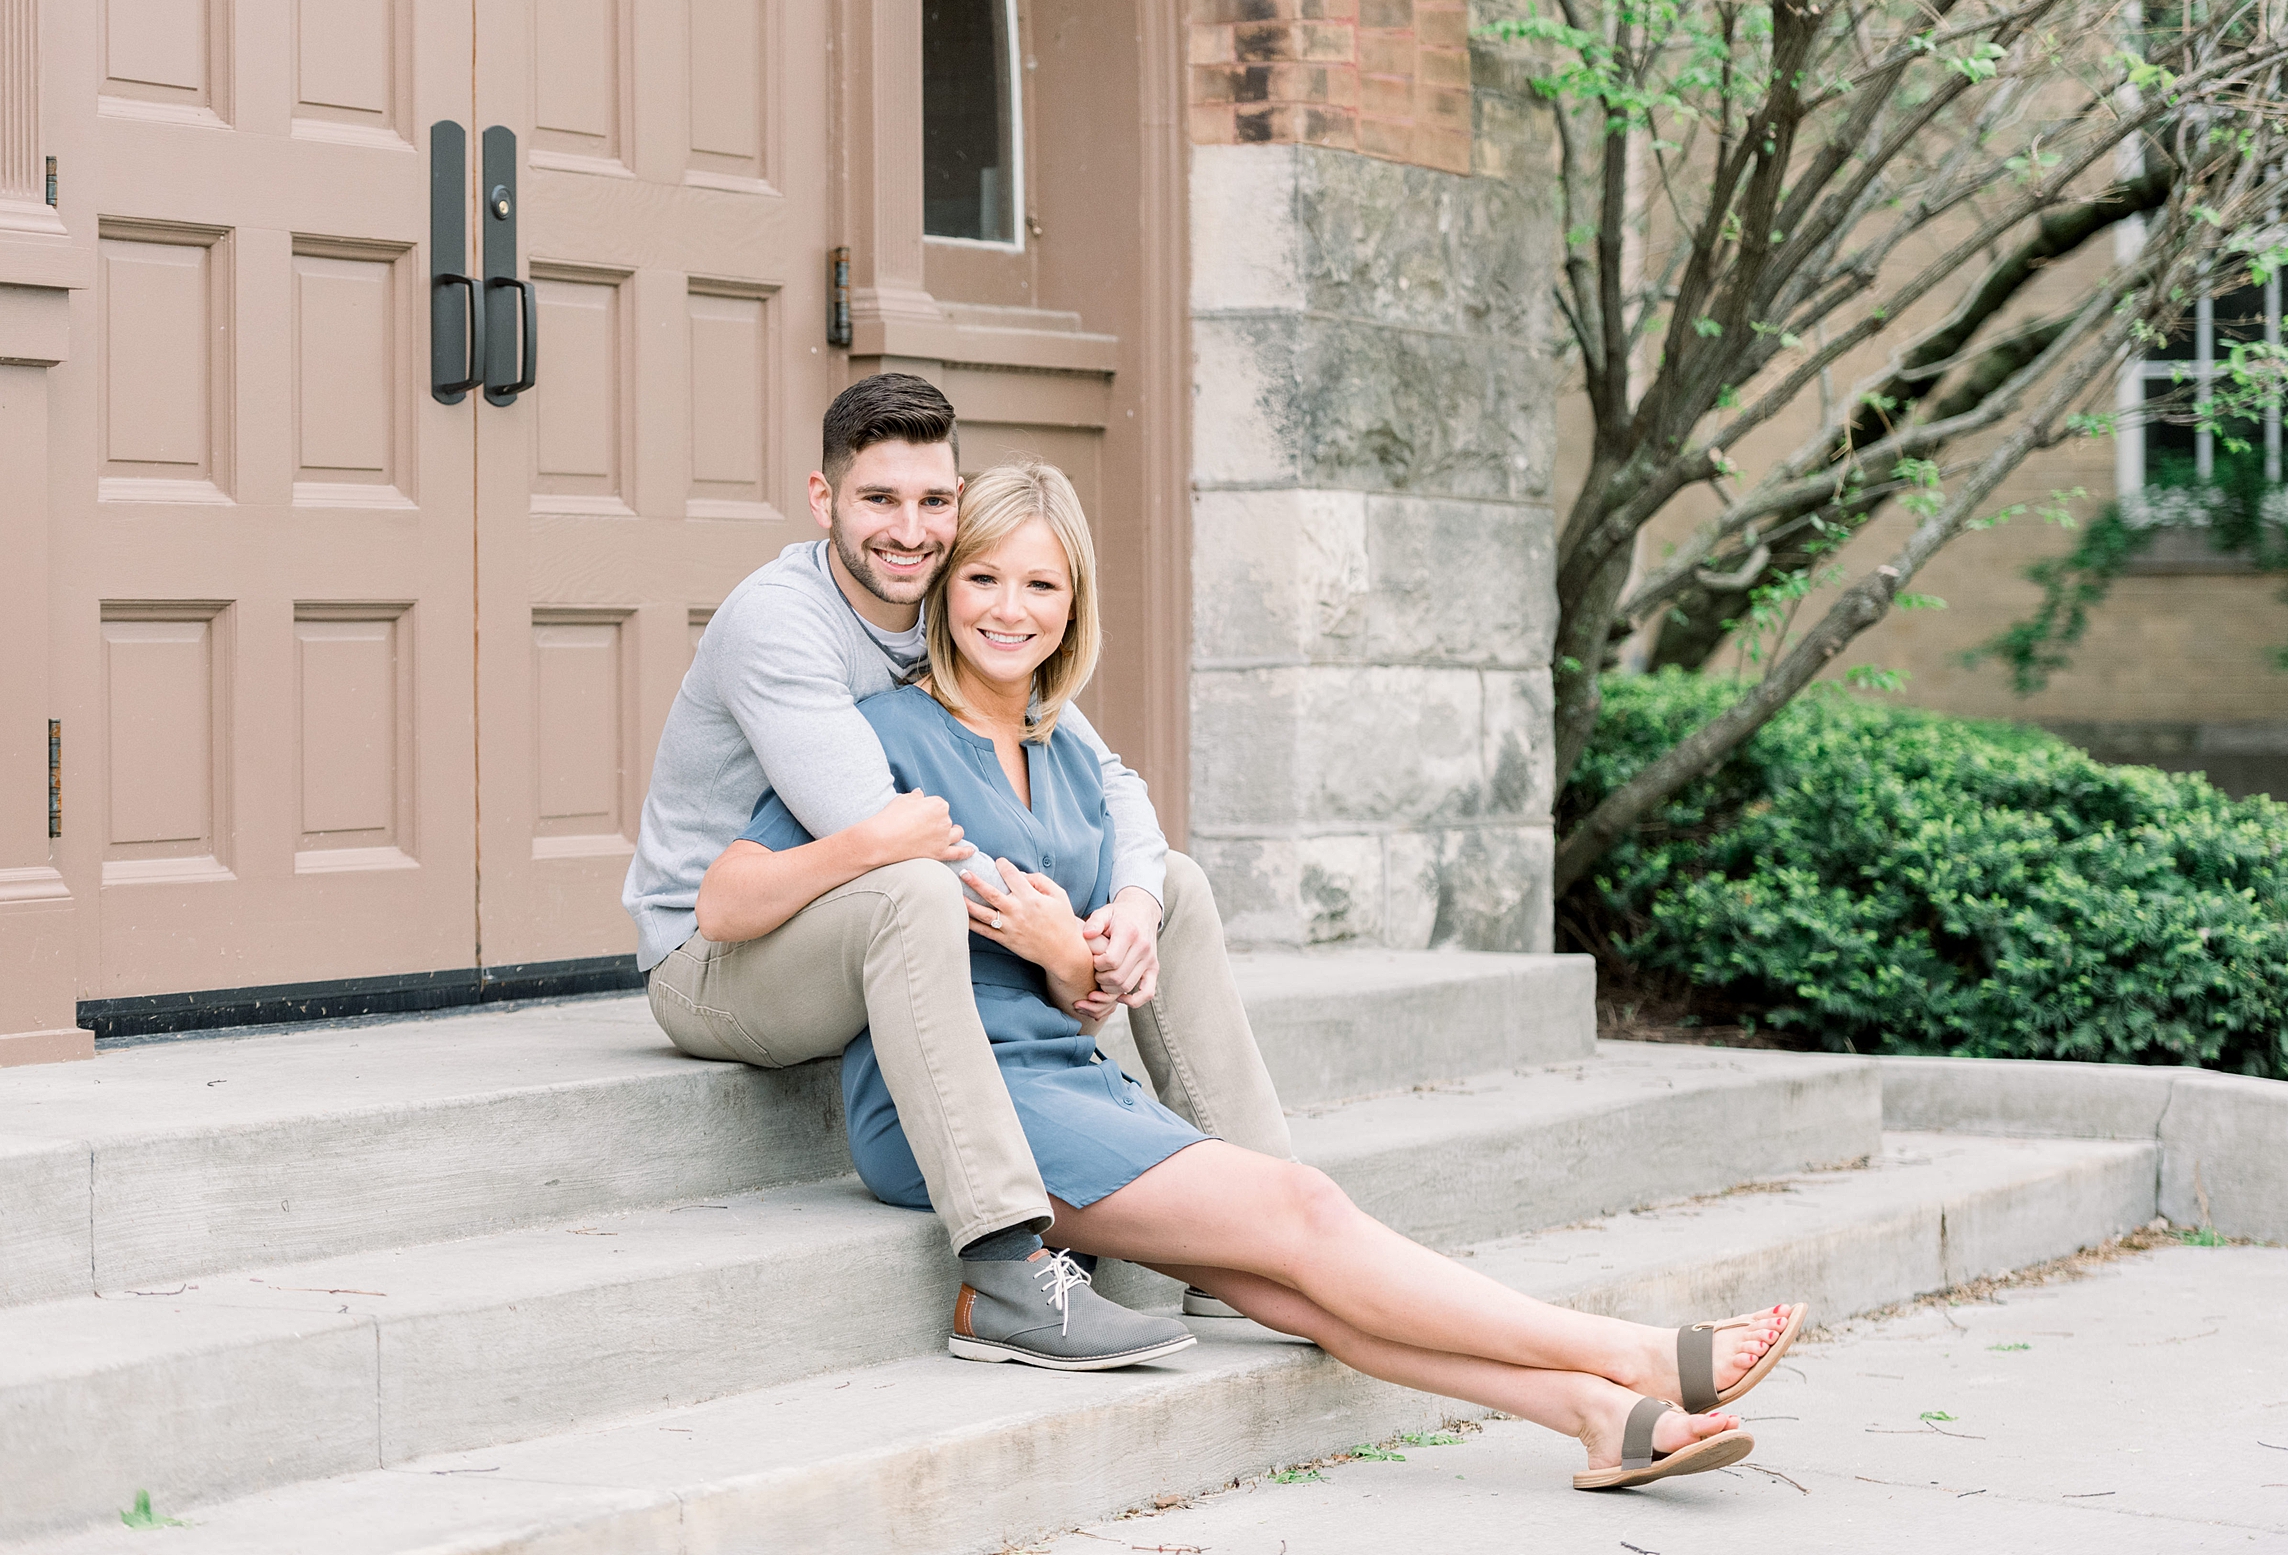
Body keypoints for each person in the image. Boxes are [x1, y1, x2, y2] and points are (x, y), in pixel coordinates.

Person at [694, 459, 1809, 1490]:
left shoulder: (1072, 751)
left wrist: (1094, 940)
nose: (1008, 607)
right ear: (945, 592)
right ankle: (1641, 1351)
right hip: (958, 1100)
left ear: (1074, 602)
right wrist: (899, 867)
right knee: (1303, 1210)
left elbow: (1131, 897)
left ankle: (1592, 1416)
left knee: (1282, 1279)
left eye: (1040, 582)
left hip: (1069, 1079)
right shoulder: (881, 733)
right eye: (982, 575)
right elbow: (734, 889)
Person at [624, 374, 1293, 1371]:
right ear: (824, 501)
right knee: (914, 887)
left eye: (934, 502)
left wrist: (1137, 903)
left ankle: (1268, 1214)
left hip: (854, 921)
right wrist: (1066, 949)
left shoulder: (945, 593)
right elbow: (894, 831)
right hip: (723, 954)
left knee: (1176, 885)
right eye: (878, 500)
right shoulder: (782, 623)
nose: (909, 529)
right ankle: (1007, 1264)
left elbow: (1105, 777)